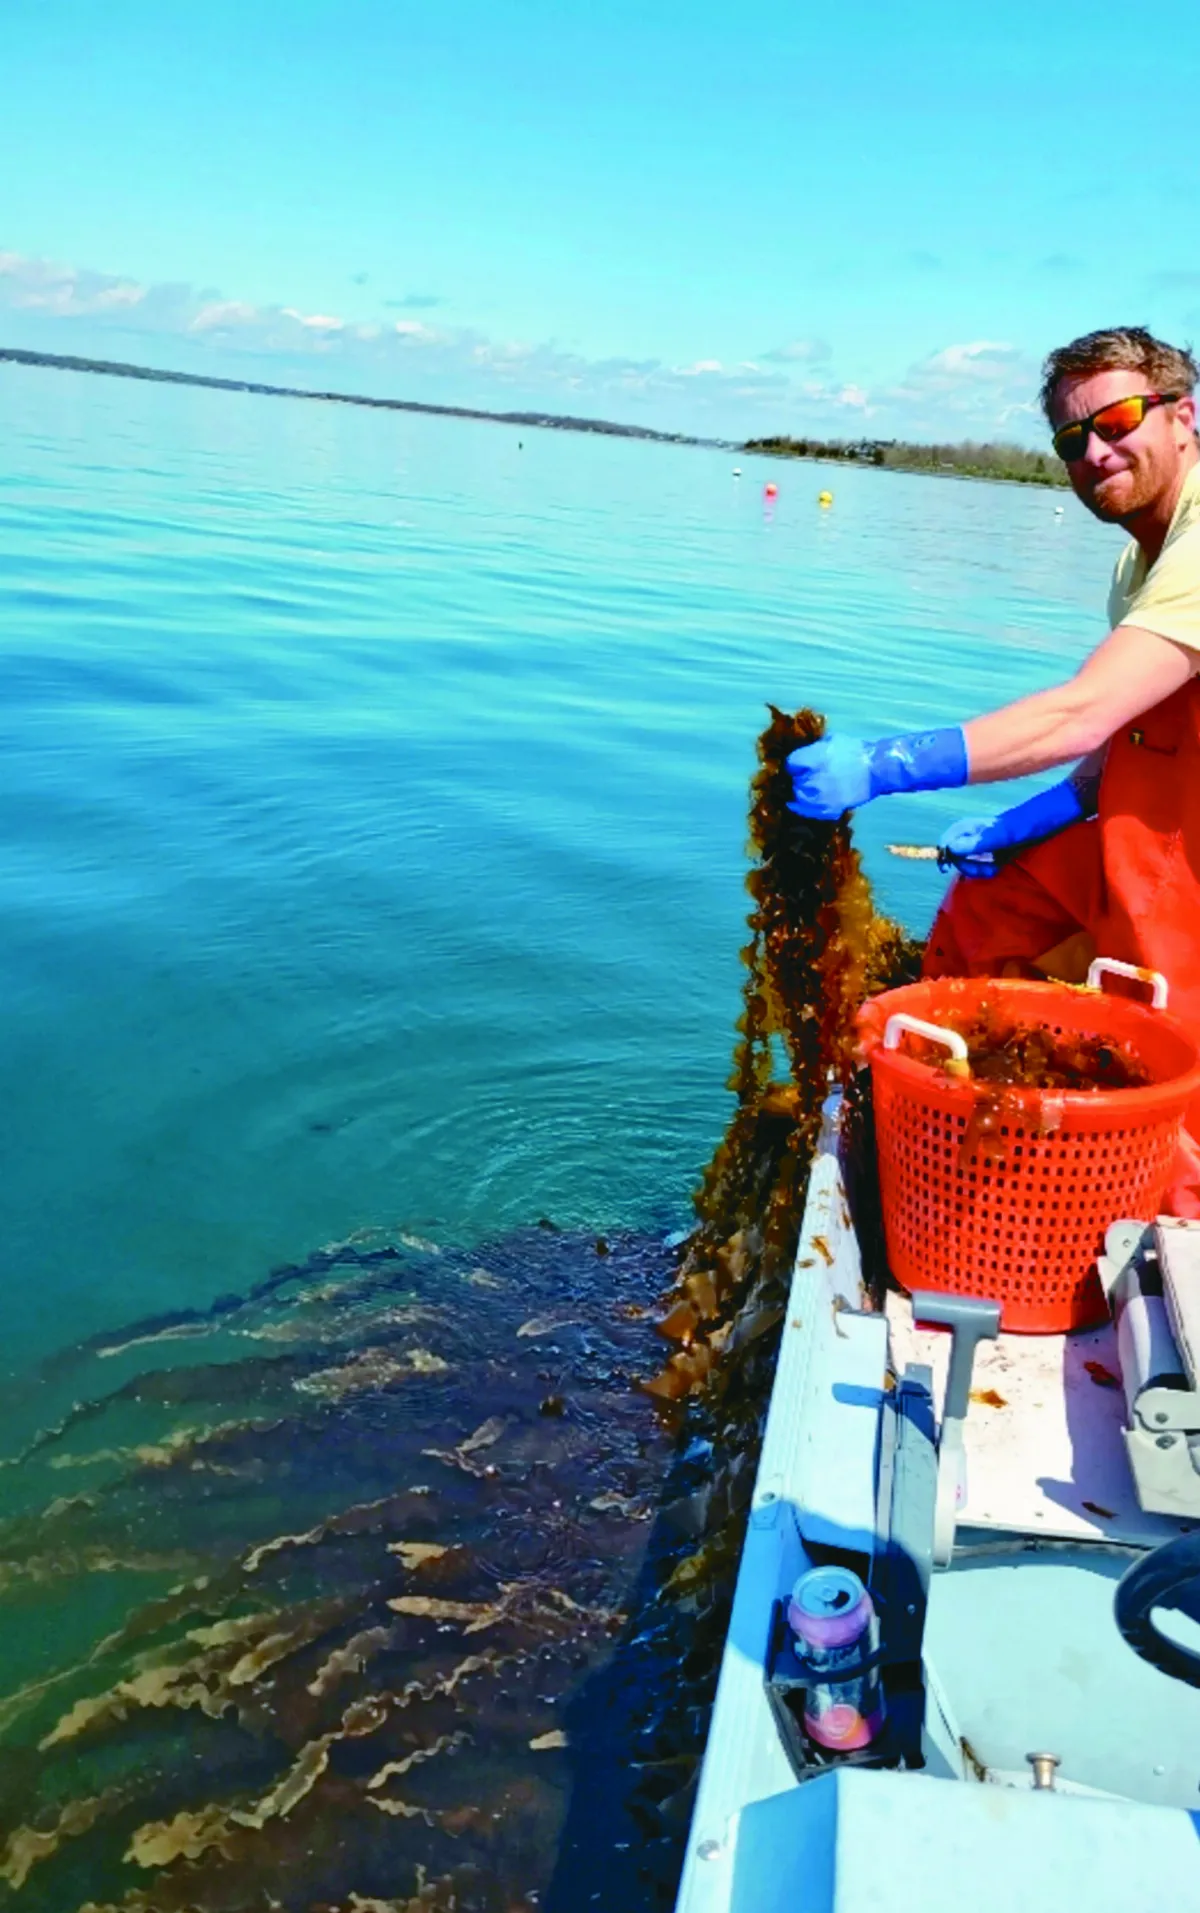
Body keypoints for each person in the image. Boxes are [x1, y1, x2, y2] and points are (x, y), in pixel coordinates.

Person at [785, 325, 1200, 1213]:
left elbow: (1083, 708)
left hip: (1188, 871)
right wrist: (1043, 814)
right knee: (991, 908)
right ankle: (963, 1142)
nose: (1095, 449)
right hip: (1145, 833)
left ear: (1183, 415)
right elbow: (1129, 725)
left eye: (1119, 417)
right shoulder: (1142, 559)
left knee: (1172, 1092)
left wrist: (889, 764)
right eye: (1071, 437)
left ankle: (1131, 1207)